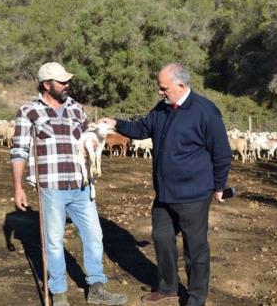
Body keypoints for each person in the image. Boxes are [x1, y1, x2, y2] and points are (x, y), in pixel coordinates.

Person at [99, 63, 232, 306]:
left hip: (193, 194)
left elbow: (222, 153)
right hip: (164, 193)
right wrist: (116, 123)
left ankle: (195, 297)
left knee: (195, 248)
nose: (160, 92)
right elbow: (142, 128)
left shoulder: (206, 111)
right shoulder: (163, 107)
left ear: (181, 85)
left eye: (164, 88)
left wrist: (220, 186)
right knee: (161, 238)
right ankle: (168, 287)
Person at [10, 62, 127, 306]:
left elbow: (87, 138)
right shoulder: (29, 111)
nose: (67, 85)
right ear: (46, 85)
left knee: (95, 236)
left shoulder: (77, 108)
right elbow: (19, 150)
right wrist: (18, 187)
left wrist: (94, 141)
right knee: (53, 242)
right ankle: (60, 293)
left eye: (67, 81)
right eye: (62, 81)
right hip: (51, 187)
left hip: (81, 185)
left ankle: (96, 288)